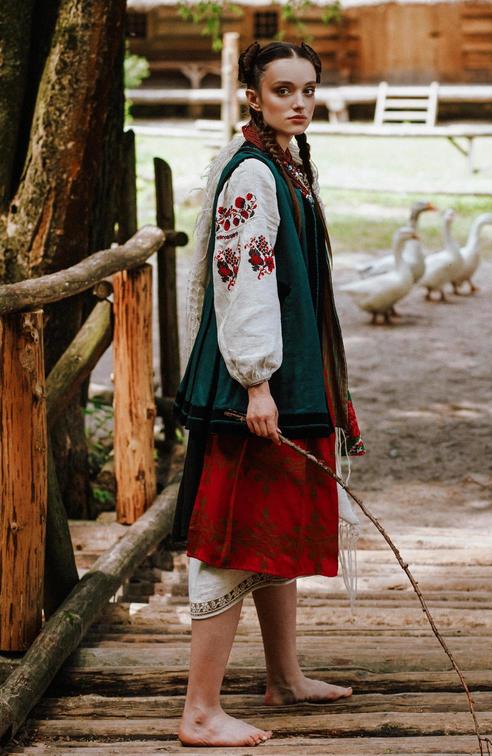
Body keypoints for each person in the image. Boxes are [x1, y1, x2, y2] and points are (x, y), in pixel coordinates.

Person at [171, 40, 366, 747]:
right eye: (283, 90)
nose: (300, 101)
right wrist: (256, 383)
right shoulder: (252, 176)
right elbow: (242, 281)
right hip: (258, 387)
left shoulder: (289, 164)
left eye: (309, 89)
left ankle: (284, 675)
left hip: (290, 377)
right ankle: (199, 710)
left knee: (274, 526)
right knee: (234, 536)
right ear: (252, 95)